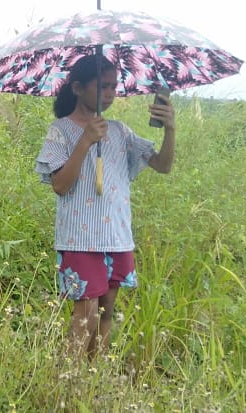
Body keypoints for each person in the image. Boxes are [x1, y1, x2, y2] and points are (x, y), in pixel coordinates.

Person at [34, 54, 176, 360]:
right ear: (77, 88)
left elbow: (162, 165)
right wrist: (85, 141)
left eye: (114, 86)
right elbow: (59, 185)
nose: (111, 93)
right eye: (103, 86)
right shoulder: (60, 131)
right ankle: (70, 384)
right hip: (80, 240)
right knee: (84, 316)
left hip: (116, 236)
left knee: (106, 313)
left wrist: (170, 129)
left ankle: (93, 378)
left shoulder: (120, 131)